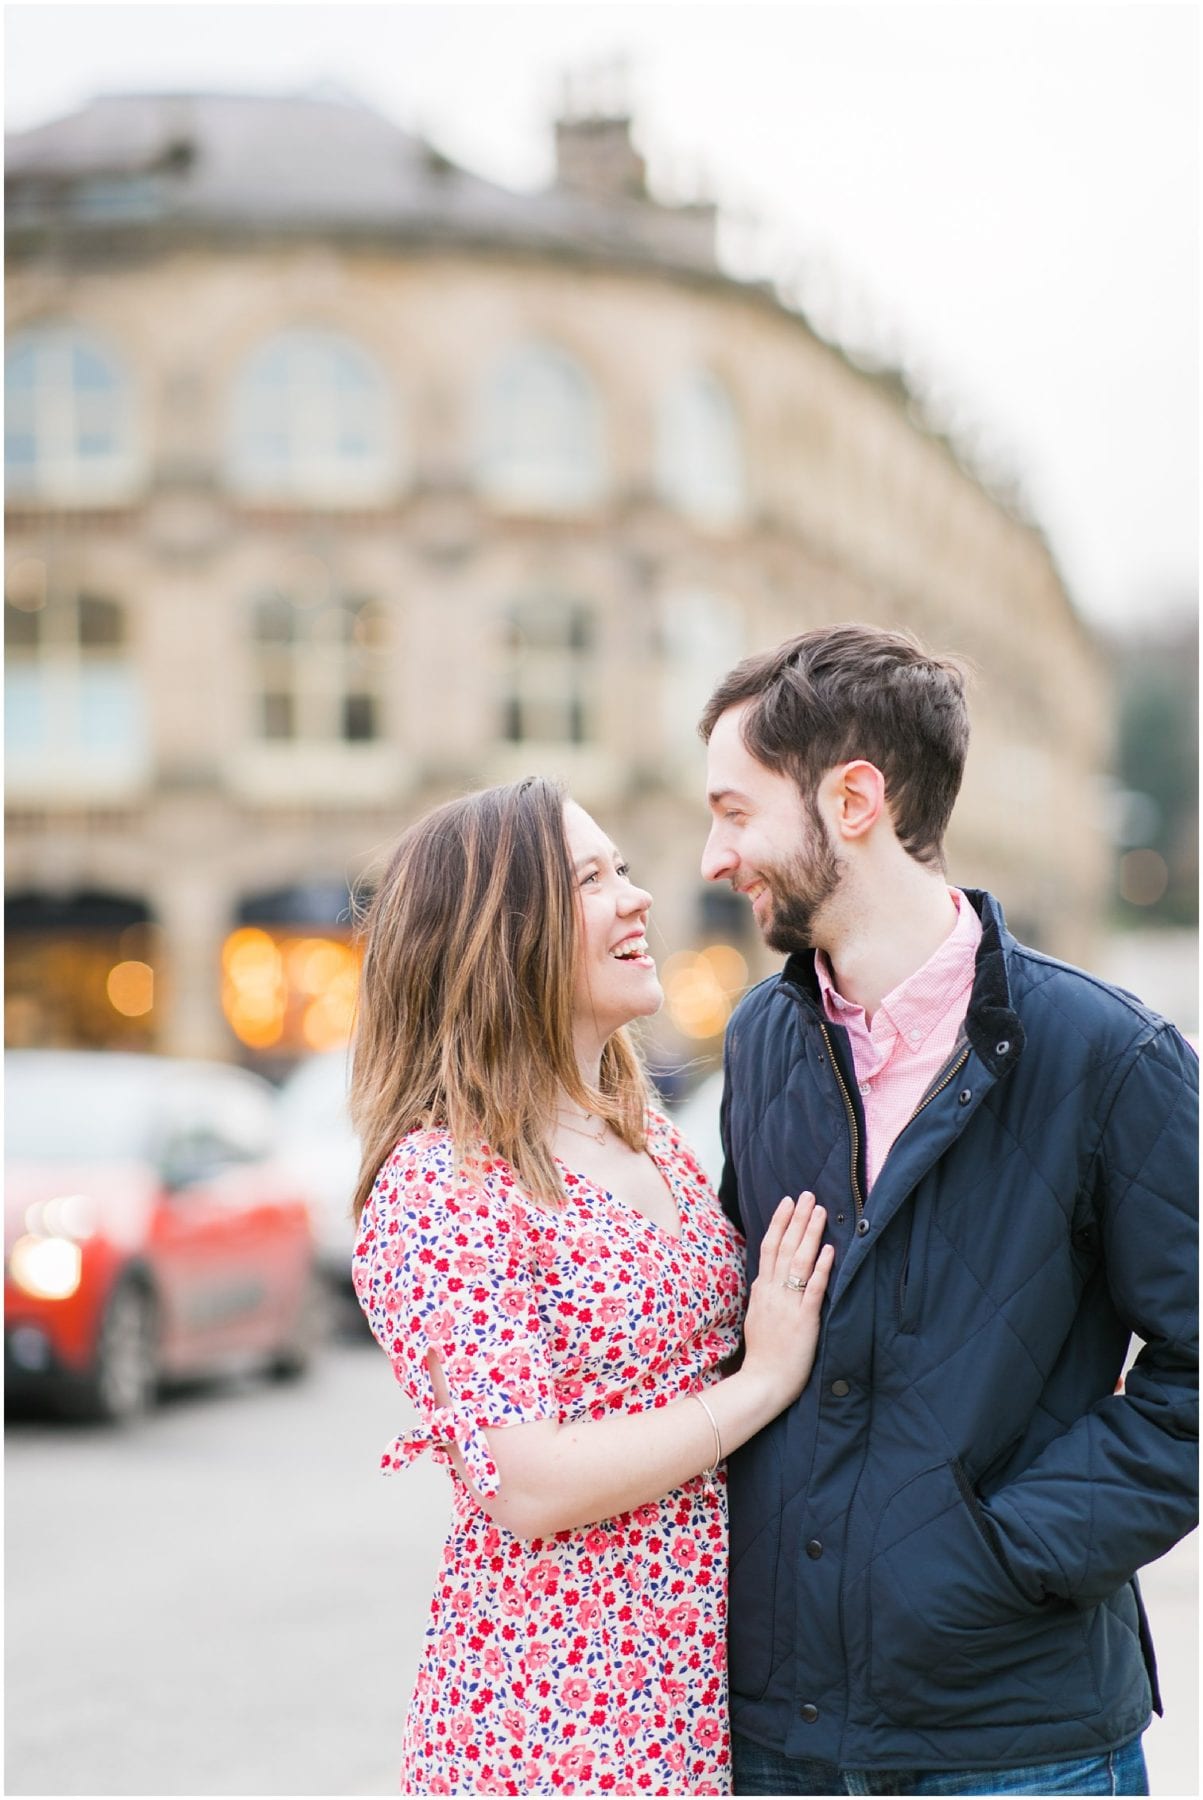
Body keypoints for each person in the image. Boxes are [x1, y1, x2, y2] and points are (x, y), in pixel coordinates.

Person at [698, 624, 1198, 1798]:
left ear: (854, 799)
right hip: (782, 1740)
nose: (716, 856)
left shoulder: (1109, 1056)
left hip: (1020, 1743)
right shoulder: (760, 1043)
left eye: (735, 809)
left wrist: (998, 1557)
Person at [349, 777, 835, 1797]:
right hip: (556, 1717)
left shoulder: (637, 1124)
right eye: (592, 878)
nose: (639, 897)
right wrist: (760, 1385)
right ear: (503, 930)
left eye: (624, 867)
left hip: (690, 1693)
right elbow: (524, 1483)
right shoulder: (442, 1182)